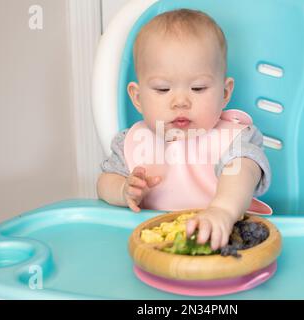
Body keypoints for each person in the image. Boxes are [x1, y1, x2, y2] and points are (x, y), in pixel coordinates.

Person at [97, 9, 271, 251]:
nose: (180, 102)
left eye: (198, 88)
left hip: (228, 241)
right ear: (137, 98)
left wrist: (222, 210)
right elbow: (105, 183)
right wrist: (123, 189)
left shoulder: (234, 138)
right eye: (162, 89)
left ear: (224, 93)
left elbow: (244, 172)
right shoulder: (133, 142)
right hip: (155, 248)